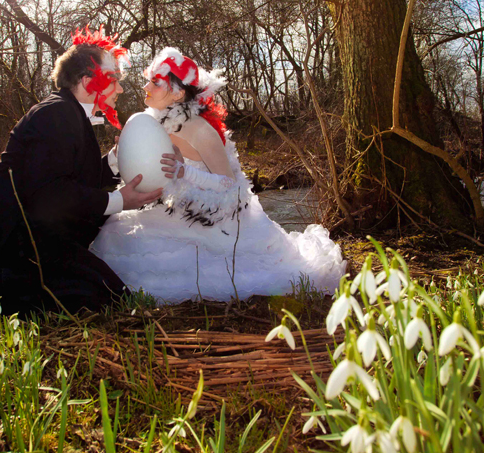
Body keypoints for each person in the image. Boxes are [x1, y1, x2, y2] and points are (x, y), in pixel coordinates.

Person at [90, 48, 345, 302]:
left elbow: (232, 189)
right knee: (118, 233)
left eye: (155, 82)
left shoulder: (201, 130)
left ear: (178, 94)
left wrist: (184, 171)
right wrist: (123, 155)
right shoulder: (155, 123)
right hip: (172, 210)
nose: (146, 86)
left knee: (156, 255)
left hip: (212, 223)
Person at [0, 29, 171, 321]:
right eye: (114, 79)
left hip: (44, 238)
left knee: (113, 296)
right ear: (87, 82)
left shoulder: (71, 114)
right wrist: (119, 201)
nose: (119, 89)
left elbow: (76, 178)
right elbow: (51, 193)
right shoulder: (55, 114)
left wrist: (117, 161)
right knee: (100, 296)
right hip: (20, 244)